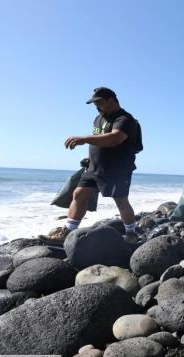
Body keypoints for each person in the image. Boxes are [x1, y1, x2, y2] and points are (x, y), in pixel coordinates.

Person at [40, 87, 142, 244]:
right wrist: (90, 157)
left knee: (121, 200)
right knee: (79, 194)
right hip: (94, 167)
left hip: (117, 169)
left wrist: (84, 139)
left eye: (100, 102)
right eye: (95, 103)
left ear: (112, 100)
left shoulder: (125, 119)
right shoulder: (98, 118)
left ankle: (131, 233)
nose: (97, 106)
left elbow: (114, 138)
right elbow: (99, 140)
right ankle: (68, 232)